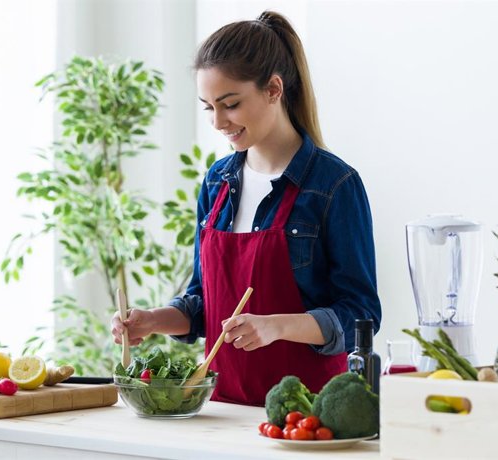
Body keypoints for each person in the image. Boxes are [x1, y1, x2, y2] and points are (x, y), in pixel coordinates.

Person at [111, 10, 381, 406]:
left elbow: (362, 316)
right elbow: (204, 304)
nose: (218, 122)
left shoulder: (334, 186)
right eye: (208, 107)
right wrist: (153, 320)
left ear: (274, 89)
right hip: (221, 411)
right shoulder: (217, 182)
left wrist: (277, 327)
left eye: (231, 104)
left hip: (308, 416)